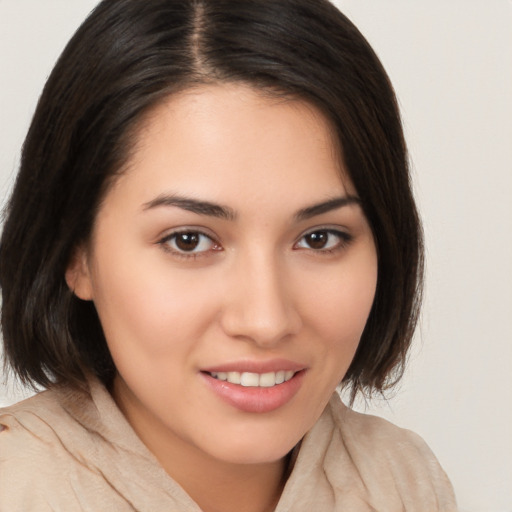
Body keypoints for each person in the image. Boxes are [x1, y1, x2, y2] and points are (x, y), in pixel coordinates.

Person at [0, 0, 457, 510]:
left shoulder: (402, 482)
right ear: (75, 253)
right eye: (189, 240)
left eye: (320, 237)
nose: (265, 321)